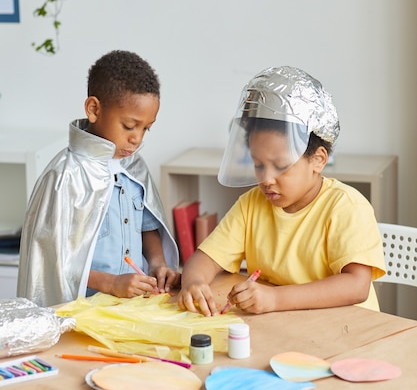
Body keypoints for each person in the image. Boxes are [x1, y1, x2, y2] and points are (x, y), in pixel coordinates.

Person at [178, 66, 386, 316]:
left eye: (281, 166)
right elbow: (203, 260)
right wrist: (194, 283)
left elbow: (356, 286)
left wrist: (275, 298)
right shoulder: (251, 204)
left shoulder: (346, 207)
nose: (266, 179)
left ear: (318, 160)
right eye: (258, 165)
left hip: (348, 330)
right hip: (289, 326)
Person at [17, 50, 180, 307]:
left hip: (132, 307)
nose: (137, 139)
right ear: (94, 109)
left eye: (146, 128)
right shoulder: (63, 176)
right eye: (129, 126)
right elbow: (53, 264)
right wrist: (112, 283)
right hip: (83, 313)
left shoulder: (134, 167)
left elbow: (147, 225)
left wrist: (158, 263)